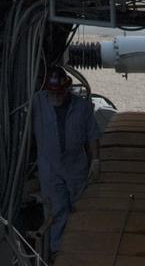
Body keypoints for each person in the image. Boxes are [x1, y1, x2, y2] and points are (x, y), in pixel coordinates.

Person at [32, 67, 100, 256]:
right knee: (57, 212)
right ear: (47, 90)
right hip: (50, 168)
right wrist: (1, 142)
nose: (57, 96)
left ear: (68, 88)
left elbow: (92, 134)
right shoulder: (37, 103)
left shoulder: (82, 107)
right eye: (53, 92)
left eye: (61, 91)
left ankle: (81, 248)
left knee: (80, 209)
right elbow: (20, 128)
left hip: (76, 167)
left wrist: (95, 159)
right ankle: (59, 253)